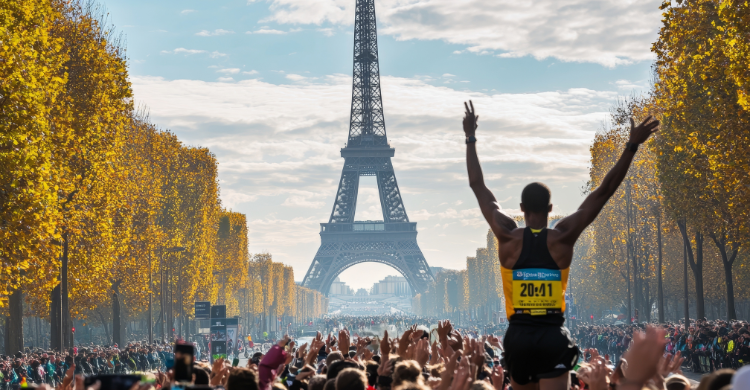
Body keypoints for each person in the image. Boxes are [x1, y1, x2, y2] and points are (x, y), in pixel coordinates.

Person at [462, 100, 660, 390]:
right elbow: (604, 191)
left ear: (521, 208)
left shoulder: (507, 236)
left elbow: (478, 186)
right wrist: (631, 146)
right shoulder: (563, 236)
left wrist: (470, 138)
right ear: (551, 208)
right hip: (552, 333)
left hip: (518, 335)